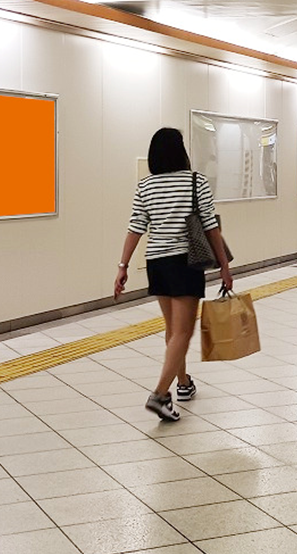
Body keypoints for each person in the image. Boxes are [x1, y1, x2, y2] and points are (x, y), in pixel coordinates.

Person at [116, 128, 234, 422]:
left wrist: (123, 266)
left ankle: (183, 383)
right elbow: (210, 226)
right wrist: (224, 265)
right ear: (180, 151)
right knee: (183, 331)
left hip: (156, 262)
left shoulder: (146, 186)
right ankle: (159, 394)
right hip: (185, 261)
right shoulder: (195, 181)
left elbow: (135, 227)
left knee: (173, 329)